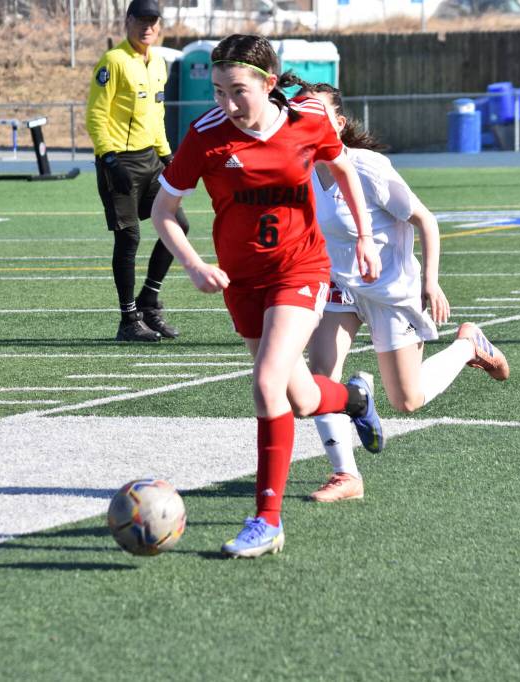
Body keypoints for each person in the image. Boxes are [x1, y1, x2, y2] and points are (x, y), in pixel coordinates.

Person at [151, 34, 384, 558]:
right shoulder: (205, 136)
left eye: (238, 91)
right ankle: (354, 400)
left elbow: (343, 168)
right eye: (217, 91)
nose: (227, 104)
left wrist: (366, 238)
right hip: (241, 281)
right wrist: (193, 264)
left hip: (300, 269)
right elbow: (163, 212)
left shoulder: (308, 119)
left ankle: (267, 519)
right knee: (300, 398)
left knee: (265, 382)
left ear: (269, 84)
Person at [296, 82, 510, 503]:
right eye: (300, 115)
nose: (307, 123)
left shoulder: (368, 167)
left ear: (337, 123)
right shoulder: (299, 169)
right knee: (320, 377)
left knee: (407, 400)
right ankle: (346, 474)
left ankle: (467, 345)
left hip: (388, 289)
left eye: (317, 115)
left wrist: (429, 281)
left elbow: (425, 221)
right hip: (339, 286)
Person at [86, 0, 190, 342]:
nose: (147, 26)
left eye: (152, 21)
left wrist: (168, 157)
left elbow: (155, 116)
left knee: (178, 224)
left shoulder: (158, 61)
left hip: (150, 159)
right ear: (127, 21)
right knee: (129, 237)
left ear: (159, 25)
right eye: (141, 20)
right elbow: (96, 115)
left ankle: (149, 300)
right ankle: (128, 319)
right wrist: (109, 158)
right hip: (120, 161)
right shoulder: (113, 61)